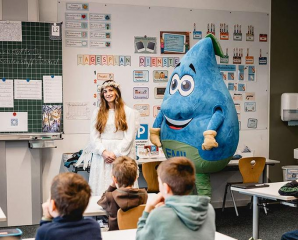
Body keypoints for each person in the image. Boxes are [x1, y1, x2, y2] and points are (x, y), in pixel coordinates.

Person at [78, 80, 139, 197]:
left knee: (122, 183)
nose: (108, 94)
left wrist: (115, 154)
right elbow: (94, 136)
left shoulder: (129, 112)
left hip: (121, 154)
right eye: (105, 91)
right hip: (102, 156)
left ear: (117, 92)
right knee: (102, 185)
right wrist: (103, 152)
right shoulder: (98, 112)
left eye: (111, 90)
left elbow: (129, 137)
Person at [136, 157, 216, 240]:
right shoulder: (208, 209)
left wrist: (148, 209)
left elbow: (140, 238)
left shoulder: (158, 214)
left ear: (166, 187)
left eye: (159, 182)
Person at [35, 172, 102, 240]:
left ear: (53, 205)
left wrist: (46, 218)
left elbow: (45, 233)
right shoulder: (93, 226)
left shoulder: (45, 232)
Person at [97, 156, 148, 231]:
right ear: (135, 178)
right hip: (136, 234)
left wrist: (112, 186)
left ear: (114, 179)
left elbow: (100, 201)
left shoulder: (110, 196)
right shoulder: (143, 194)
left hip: (116, 235)